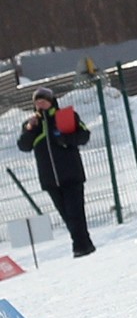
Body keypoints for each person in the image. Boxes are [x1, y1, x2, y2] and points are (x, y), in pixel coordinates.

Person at [17, 86, 94, 258]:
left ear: (51, 102)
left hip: (71, 174)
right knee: (66, 215)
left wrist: (65, 139)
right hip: (50, 180)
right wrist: (30, 130)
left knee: (75, 213)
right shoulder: (31, 124)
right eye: (37, 102)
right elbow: (23, 146)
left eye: (43, 101)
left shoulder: (65, 117)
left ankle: (80, 247)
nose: (40, 105)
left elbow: (84, 136)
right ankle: (85, 244)